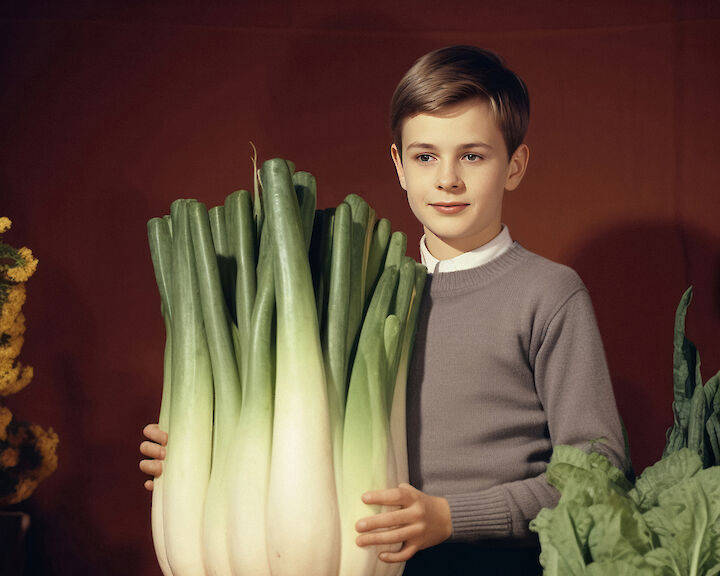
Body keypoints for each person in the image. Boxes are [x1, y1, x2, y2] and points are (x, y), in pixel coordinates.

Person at [140, 45, 627, 575]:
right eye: (425, 156)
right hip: (365, 563)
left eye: (473, 155)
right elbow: (292, 437)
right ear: (397, 165)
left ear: (514, 165)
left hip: (498, 561)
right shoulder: (354, 289)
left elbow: (599, 472)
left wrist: (450, 516)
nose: (447, 179)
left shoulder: (550, 294)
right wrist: (200, 446)